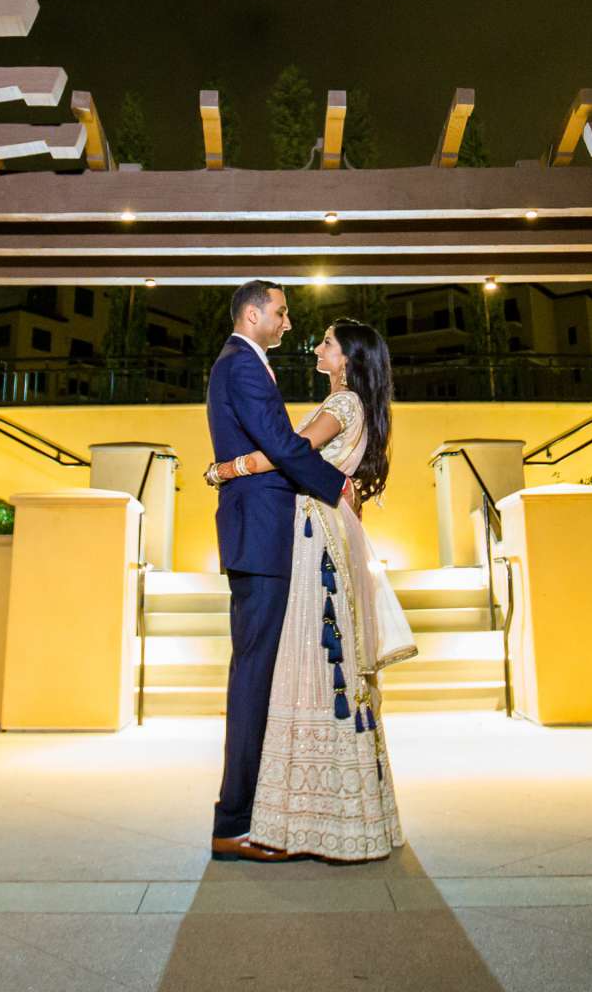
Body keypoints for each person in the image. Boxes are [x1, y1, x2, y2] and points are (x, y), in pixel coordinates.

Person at [213, 315, 411, 862]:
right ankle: (329, 814)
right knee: (327, 663)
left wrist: (228, 469)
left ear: (346, 358)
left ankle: (310, 815)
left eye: (326, 342)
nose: (317, 346)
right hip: (326, 525)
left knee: (314, 659)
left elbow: (290, 452)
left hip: (314, 534)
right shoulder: (356, 407)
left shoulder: (343, 404)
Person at [204, 280, 362, 862]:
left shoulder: (245, 365)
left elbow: (270, 445)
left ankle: (249, 813)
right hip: (260, 536)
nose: (288, 323)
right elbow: (283, 444)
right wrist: (338, 484)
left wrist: (226, 470)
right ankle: (233, 824)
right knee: (252, 677)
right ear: (253, 314)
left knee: (258, 675)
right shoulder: (242, 366)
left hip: (261, 534)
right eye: (282, 311)